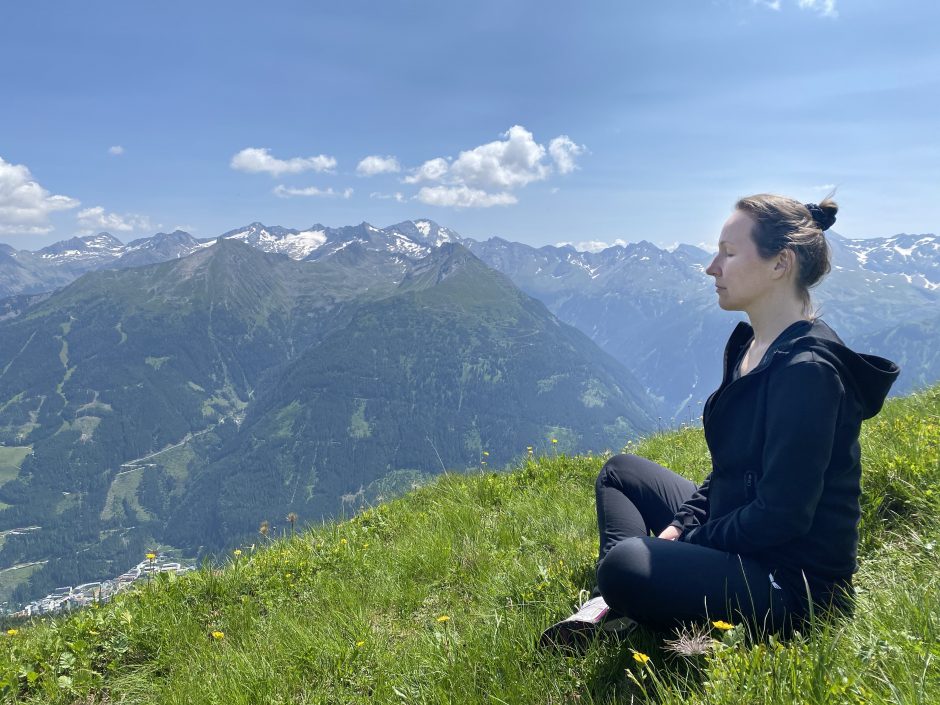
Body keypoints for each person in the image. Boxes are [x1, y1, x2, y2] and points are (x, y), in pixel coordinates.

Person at [541, 194, 899, 647]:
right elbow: (731, 468)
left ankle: (621, 594)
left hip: (791, 582)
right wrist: (679, 526)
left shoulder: (808, 373)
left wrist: (691, 542)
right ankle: (614, 602)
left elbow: (781, 517)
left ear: (779, 264)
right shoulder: (750, 344)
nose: (712, 266)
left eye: (729, 253)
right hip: (747, 530)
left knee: (626, 563)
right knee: (620, 471)